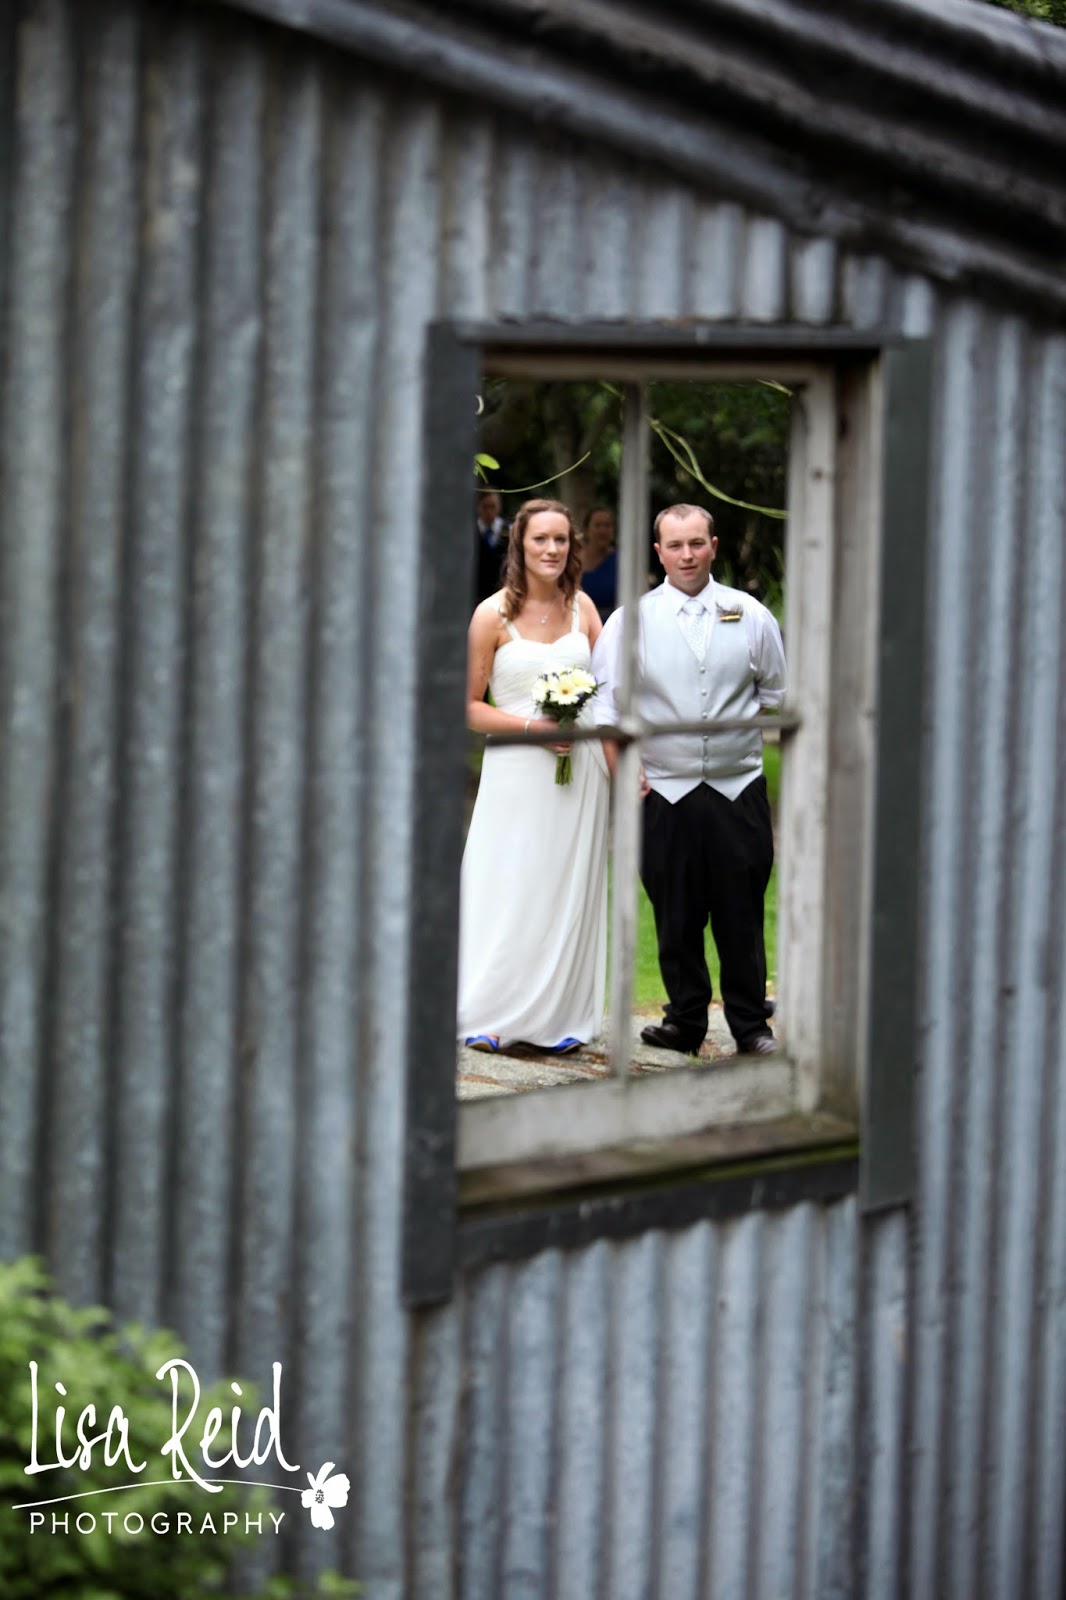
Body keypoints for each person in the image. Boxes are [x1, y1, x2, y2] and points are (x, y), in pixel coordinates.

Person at [592, 503, 785, 1057]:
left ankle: (751, 1027)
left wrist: (733, 744)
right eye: (675, 545)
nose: (687, 555)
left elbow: (774, 694)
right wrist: (626, 773)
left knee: (741, 911)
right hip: (664, 790)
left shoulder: (752, 615)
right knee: (674, 912)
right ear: (658, 552)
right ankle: (684, 1021)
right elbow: (606, 708)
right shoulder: (629, 621)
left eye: (697, 543)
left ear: (713, 546)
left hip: (738, 788)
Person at [458, 499, 609, 1054]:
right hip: (516, 769)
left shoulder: (583, 608)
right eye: (540, 539)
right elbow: (469, 707)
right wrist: (531, 728)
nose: (552, 549)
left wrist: (625, 768)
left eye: (561, 540)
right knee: (511, 883)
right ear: (519, 545)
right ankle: (491, 1012)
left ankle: (561, 1016)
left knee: (567, 885)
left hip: (580, 768)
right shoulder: (490, 615)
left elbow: (610, 695)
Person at [578, 505, 618, 619]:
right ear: (586, 530)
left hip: (613, 623)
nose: (603, 531)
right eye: (598, 525)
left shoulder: (621, 561)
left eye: (607, 525)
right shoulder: (573, 560)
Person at [473, 489, 509, 602]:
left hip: (501, 591)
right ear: (478, 507)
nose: (489, 511)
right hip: (475, 591)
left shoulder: (508, 530)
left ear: (499, 507)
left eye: (493, 506)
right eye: (485, 507)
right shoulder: (469, 531)